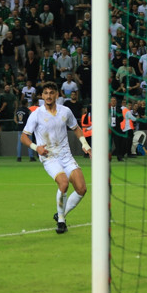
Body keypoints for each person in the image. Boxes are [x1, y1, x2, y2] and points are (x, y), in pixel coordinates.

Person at [20, 82, 92, 234]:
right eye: (45, 93)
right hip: (49, 156)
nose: (48, 96)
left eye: (51, 93)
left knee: (81, 189)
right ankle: (61, 220)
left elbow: (76, 128)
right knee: (64, 183)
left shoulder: (65, 111)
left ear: (57, 95)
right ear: (42, 96)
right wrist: (36, 147)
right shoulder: (36, 114)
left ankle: (61, 213)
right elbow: (24, 136)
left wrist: (85, 145)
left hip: (66, 155)